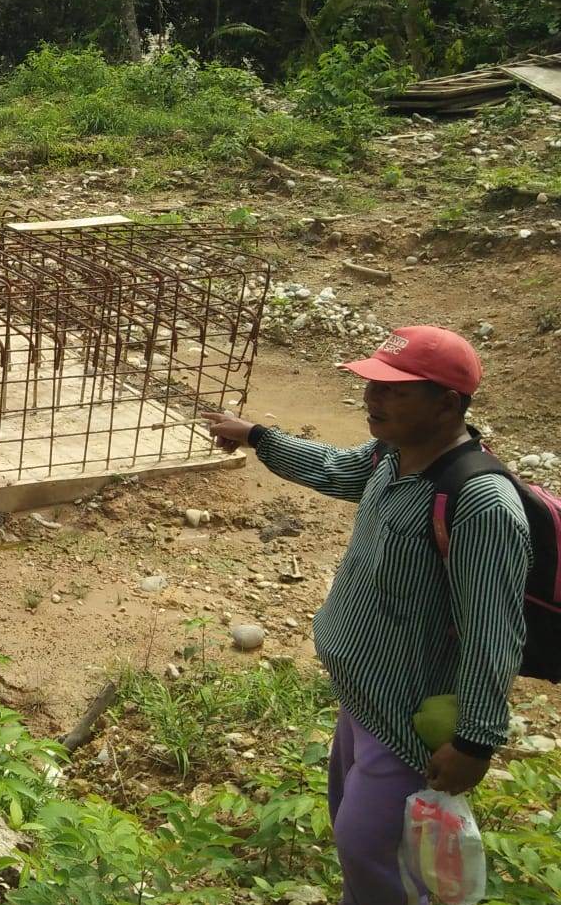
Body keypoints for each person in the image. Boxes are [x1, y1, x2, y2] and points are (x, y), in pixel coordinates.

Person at [202, 326, 531, 905]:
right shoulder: (390, 456)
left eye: (396, 390)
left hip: (411, 718)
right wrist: (259, 437)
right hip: (362, 696)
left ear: (448, 403)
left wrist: (476, 741)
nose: (373, 398)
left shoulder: (481, 502)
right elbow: (334, 468)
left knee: (372, 851)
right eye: (373, 384)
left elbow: (492, 635)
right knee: (353, 834)